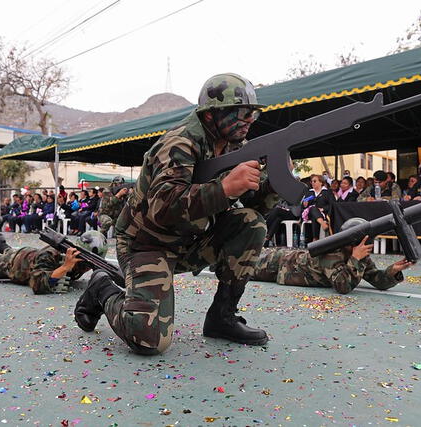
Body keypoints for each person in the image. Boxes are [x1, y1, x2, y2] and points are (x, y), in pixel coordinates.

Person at [74, 73, 279, 355]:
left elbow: (255, 207)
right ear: (211, 115)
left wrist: (276, 182)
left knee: (251, 224)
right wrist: (225, 188)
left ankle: (223, 317)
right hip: (146, 243)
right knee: (148, 339)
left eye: (252, 115)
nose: (248, 122)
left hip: (190, 240)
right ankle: (102, 289)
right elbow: (163, 208)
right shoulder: (179, 143)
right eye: (241, 114)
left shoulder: (235, 147)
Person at [253, 218, 414, 293]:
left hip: (284, 262)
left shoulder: (357, 255)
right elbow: (342, 286)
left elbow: (377, 280)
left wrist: (392, 271)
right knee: (239, 264)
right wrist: (355, 259)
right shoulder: (331, 253)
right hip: (276, 263)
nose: (368, 247)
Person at [0, 218, 103, 294]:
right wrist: (65, 267)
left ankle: (1, 244)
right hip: (14, 264)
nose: (86, 268)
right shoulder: (51, 254)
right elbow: (36, 284)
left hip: (30, 257)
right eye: (85, 264)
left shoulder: (80, 261)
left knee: (11, 252)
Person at [302, 174, 333, 239]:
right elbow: (304, 204)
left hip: (322, 214)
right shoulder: (310, 193)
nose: (312, 183)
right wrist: (305, 204)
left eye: (314, 181)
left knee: (314, 217)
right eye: (311, 181)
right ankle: (323, 224)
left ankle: (315, 239)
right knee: (313, 208)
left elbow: (332, 204)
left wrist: (323, 209)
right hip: (309, 213)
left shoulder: (327, 192)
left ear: (321, 182)